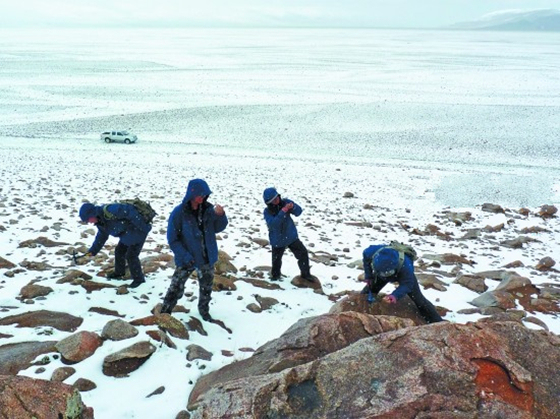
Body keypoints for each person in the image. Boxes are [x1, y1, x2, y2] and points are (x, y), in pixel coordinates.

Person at [161, 179, 228, 321]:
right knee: (176, 287)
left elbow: (218, 227)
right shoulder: (179, 213)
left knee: (206, 288)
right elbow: (173, 239)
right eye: (200, 194)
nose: (202, 197)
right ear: (191, 194)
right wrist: (185, 256)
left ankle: (204, 311)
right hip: (187, 258)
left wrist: (220, 215)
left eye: (205, 194)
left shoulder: (208, 210)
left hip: (206, 257)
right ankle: (165, 312)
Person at [362, 244, 443, 323]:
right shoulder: (372, 252)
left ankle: (438, 321)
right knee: (367, 292)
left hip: (401, 274)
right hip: (380, 271)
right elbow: (365, 256)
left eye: (387, 273)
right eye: (383, 274)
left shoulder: (406, 265)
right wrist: (368, 275)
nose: (385, 276)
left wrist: (395, 295)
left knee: (420, 300)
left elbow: (407, 284)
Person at [79, 201, 152, 288]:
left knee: (131, 255)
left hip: (138, 230)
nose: (89, 222)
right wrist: (92, 252)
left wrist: (144, 227)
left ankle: (139, 279)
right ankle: (119, 273)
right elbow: (101, 238)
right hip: (127, 234)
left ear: (92, 214)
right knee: (119, 251)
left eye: (88, 219)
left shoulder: (110, 210)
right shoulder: (101, 222)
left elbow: (131, 212)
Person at [263, 187, 314, 282]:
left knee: (303, 254)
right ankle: (275, 277)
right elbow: (273, 225)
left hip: (290, 236)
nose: (276, 200)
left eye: (276, 197)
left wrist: (293, 207)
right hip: (277, 239)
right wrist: (283, 211)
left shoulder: (285, 202)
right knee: (276, 261)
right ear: (268, 202)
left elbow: (299, 212)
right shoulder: (267, 212)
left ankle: (306, 275)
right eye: (273, 200)